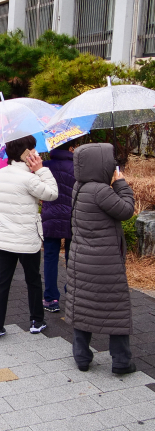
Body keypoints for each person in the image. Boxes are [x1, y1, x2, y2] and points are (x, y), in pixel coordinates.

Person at [65, 143, 136, 374]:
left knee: (83, 306)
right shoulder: (101, 191)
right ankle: (121, 361)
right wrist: (121, 183)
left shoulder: (80, 186)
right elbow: (126, 210)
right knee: (115, 307)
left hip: (81, 260)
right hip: (105, 263)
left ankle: (82, 357)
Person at [0, 136, 58, 342]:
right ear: (26, 154)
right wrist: (41, 169)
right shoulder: (29, 178)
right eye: (33, 150)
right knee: (33, 280)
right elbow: (52, 194)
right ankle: (36, 321)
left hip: (3, 238)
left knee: (2, 282)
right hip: (26, 239)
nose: (36, 154)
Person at [41, 141, 76, 312]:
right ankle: (73, 292)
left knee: (50, 258)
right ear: (71, 148)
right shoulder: (78, 167)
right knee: (73, 258)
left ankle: (51, 298)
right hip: (73, 218)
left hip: (50, 217)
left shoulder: (45, 167)